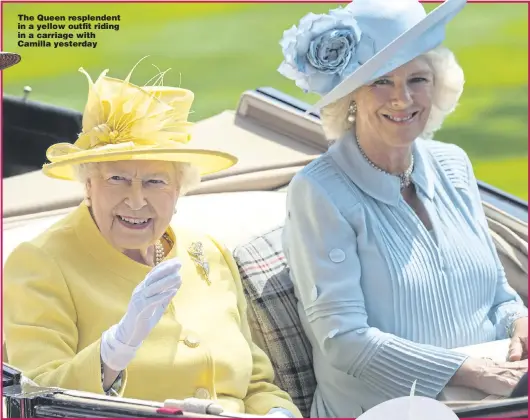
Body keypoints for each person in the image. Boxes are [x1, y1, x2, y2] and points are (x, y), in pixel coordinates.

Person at [3, 59, 301, 418]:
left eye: (155, 181)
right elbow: (37, 400)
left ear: (179, 189)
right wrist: (112, 353)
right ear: (88, 184)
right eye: (117, 179)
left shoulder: (207, 251)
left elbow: (257, 385)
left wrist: (277, 412)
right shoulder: (40, 263)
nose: (136, 199)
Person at [277, 0, 528, 417]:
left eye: (417, 79)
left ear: (438, 84)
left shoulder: (454, 164)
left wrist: (519, 320)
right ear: (351, 98)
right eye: (381, 82)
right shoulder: (318, 192)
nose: (402, 98)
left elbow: (497, 295)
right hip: (381, 409)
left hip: (491, 395)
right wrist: (468, 371)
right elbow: (343, 339)